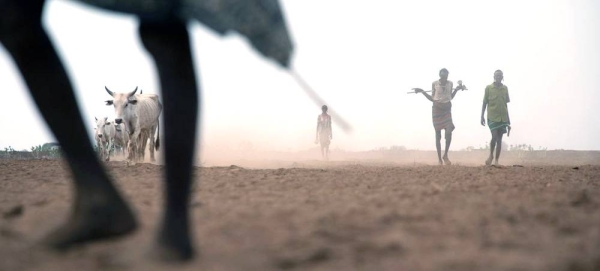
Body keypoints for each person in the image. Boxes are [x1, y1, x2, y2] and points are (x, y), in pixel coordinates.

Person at [0, 0, 292, 262]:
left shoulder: (144, 103)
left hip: (147, 111)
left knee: (164, 23)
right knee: (13, 15)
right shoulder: (118, 112)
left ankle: (173, 227)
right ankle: (100, 194)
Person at [413, 68, 465, 165]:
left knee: (449, 131)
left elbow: (450, 97)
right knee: (438, 135)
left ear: (447, 76)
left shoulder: (450, 84)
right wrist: (422, 91)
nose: (444, 77)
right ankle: (439, 159)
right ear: (439, 75)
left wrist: (457, 90)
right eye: (442, 76)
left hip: (447, 109)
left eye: (446, 76)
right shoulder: (435, 84)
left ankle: (445, 155)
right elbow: (432, 98)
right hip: (437, 109)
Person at [481, 70, 511, 166]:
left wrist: (508, 119)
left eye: (500, 75)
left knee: (499, 140)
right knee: (494, 137)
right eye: (497, 75)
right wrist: (481, 116)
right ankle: (491, 155)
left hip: (503, 118)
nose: (498, 77)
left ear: (502, 77)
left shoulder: (505, 89)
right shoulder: (489, 88)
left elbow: (505, 104)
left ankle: (496, 160)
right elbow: (484, 102)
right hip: (492, 117)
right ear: (494, 76)